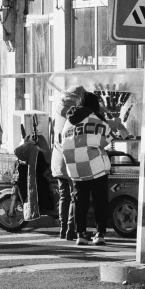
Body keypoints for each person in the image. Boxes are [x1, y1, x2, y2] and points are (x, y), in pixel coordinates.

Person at [61, 91, 114, 246]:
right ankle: (100, 234)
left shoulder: (68, 122)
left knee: (80, 202)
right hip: (95, 165)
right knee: (100, 201)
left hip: (75, 167)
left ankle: (81, 234)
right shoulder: (95, 118)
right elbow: (108, 138)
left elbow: (63, 141)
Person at [50, 85, 85, 240]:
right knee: (74, 195)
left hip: (58, 159)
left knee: (64, 196)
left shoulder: (58, 110)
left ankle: (63, 229)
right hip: (71, 160)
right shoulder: (75, 113)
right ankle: (71, 229)